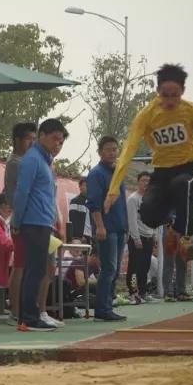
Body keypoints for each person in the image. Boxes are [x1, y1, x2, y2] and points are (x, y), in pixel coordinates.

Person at [103, 64, 193, 262]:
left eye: (175, 95)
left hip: (188, 170)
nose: (170, 101)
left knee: (181, 184)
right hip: (162, 173)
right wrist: (113, 190)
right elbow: (128, 149)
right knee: (147, 215)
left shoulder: (191, 110)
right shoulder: (146, 115)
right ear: (158, 91)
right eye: (165, 95)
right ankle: (172, 223)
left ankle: (188, 239)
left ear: (183, 91)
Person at [12, 118, 67, 332]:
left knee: (37, 270)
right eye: (54, 138)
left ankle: (29, 316)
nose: (57, 144)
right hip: (32, 222)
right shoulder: (32, 159)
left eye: (61, 141)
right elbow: (22, 192)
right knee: (34, 270)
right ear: (41, 135)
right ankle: (29, 318)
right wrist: (17, 221)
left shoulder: (45, 162)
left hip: (43, 222)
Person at [86, 136, 128, 321]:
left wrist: (125, 226)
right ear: (100, 152)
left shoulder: (118, 172)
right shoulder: (96, 174)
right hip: (107, 228)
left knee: (115, 270)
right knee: (108, 269)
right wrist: (100, 226)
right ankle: (102, 310)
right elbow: (94, 204)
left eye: (115, 149)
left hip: (120, 227)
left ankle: (108, 305)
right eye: (108, 149)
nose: (113, 153)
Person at [3, 122, 36, 320]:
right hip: (22, 218)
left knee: (27, 266)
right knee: (20, 265)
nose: (31, 143)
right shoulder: (16, 163)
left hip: (29, 217)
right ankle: (15, 309)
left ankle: (24, 307)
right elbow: (19, 194)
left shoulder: (26, 160)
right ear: (17, 140)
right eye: (28, 139)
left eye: (34, 139)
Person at [126, 171, 159, 303]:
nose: (146, 183)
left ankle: (143, 292)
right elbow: (132, 220)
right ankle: (133, 293)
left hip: (149, 237)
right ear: (138, 182)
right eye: (143, 180)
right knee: (134, 267)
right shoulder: (133, 199)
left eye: (148, 181)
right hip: (137, 238)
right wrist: (136, 238)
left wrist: (154, 235)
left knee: (145, 267)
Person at [162, 216, 193, 302]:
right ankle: (168, 293)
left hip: (183, 231)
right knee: (169, 263)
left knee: (183, 262)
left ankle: (181, 292)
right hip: (169, 228)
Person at [69, 176, 92, 243]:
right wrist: (77, 237)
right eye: (85, 185)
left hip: (92, 236)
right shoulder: (75, 201)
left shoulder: (93, 201)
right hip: (80, 237)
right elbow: (72, 220)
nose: (87, 187)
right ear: (80, 187)